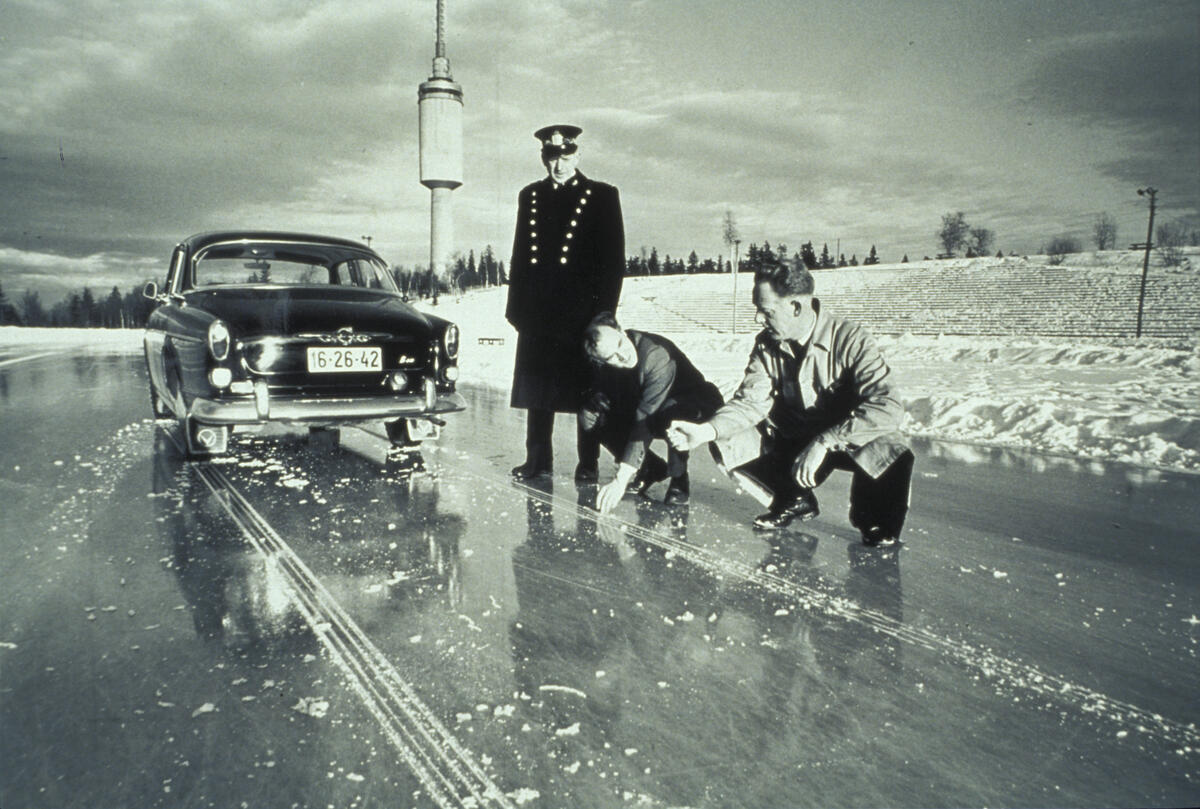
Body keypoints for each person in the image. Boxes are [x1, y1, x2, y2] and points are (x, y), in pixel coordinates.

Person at [668, 257, 914, 547]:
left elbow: (888, 404)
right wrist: (705, 431)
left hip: (845, 440)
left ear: (795, 307)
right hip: (796, 441)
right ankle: (792, 498)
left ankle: (875, 521)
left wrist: (826, 441)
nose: (758, 318)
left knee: (891, 448)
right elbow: (750, 402)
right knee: (725, 437)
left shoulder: (850, 338)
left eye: (766, 310)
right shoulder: (766, 344)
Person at [506, 124, 625, 482]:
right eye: (551, 157)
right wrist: (517, 310)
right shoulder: (530, 195)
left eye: (565, 156)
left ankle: (587, 463)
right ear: (544, 157)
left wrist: (604, 314)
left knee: (586, 391)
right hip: (539, 313)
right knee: (538, 391)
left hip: (582, 314)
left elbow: (613, 261)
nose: (558, 165)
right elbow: (519, 255)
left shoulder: (602, 195)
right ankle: (537, 461)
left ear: (577, 155)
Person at [579, 312, 724, 514]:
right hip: (648, 410)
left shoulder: (655, 355)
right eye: (612, 357)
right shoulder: (603, 364)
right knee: (590, 414)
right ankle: (651, 468)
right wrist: (597, 397)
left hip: (691, 405)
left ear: (622, 331)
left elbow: (645, 417)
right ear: (599, 361)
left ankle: (679, 478)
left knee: (671, 414)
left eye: (621, 344)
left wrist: (621, 478)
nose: (623, 355)